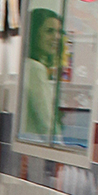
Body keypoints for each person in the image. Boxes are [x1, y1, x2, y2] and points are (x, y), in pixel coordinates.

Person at [21, 9, 61, 141]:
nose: (56, 37)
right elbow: (47, 123)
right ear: (34, 33)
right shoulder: (35, 69)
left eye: (58, 32)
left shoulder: (26, 65)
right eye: (49, 31)